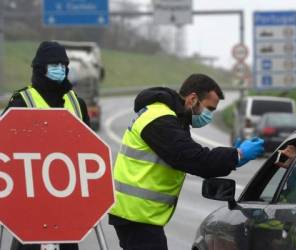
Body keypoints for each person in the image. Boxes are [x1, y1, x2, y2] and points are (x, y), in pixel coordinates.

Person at [108, 74, 264, 250]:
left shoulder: (173, 119)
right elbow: (194, 158)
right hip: (135, 214)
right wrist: (238, 155)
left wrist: (233, 159)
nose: (209, 116)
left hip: (139, 215)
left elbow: (192, 158)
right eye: (209, 109)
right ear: (193, 98)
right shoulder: (159, 118)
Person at [3, 41, 90, 250]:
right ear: (40, 67)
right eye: (54, 64)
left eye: (63, 64)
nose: (60, 68)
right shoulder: (21, 101)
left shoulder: (77, 102)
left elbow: (89, 149)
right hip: (31, 201)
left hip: (67, 199)